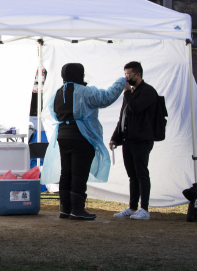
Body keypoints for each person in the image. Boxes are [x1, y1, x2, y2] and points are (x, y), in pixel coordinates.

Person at [41, 63, 124, 220]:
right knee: (79, 172)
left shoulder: (57, 94)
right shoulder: (85, 92)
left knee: (66, 172)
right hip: (82, 136)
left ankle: (65, 209)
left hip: (63, 136)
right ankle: (77, 209)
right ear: (80, 74)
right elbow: (106, 98)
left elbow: (53, 112)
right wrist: (121, 82)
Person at [110, 61, 159, 221]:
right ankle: (132, 207)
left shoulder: (148, 92)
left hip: (141, 139)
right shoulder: (130, 93)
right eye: (125, 75)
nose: (126, 78)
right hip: (128, 139)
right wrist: (115, 137)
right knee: (132, 175)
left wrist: (127, 93)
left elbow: (136, 108)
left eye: (129, 75)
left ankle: (144, 208)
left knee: (141, 173)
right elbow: (123, 116)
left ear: (138, 75)